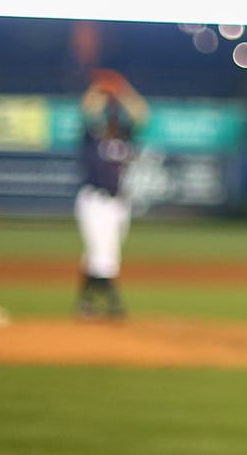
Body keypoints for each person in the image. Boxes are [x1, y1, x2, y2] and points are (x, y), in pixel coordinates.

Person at [75, 69, 148, 319]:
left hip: (119, 204)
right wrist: (100, 88)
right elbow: (87, 110)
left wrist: (122, 89)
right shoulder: (92, 136)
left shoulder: (124, 136)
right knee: (106, 254)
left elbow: (141, 115)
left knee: (97, 254)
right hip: (95, 200)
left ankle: (84, 303)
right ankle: (115, 304)